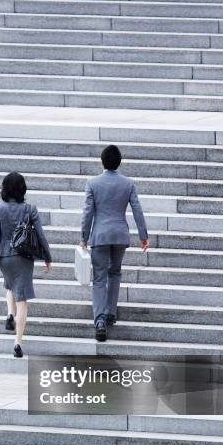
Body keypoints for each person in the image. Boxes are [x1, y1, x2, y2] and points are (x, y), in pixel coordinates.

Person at [80, 145, 149, 342]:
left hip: (100, 236)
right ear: (119, 162)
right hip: (120, 235)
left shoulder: (93, 183)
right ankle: (110, 313)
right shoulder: (128, 183)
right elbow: (137, 210)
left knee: (100, 277)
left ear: (102, 161)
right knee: (115, 272)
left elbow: (88, 213)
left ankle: (100, 320)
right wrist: (143, 235)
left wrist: (84, 237)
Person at [0, 172, 52, 358]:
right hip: (23, 257)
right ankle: (18, 342)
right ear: (23, 189)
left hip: (4, 258)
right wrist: (47, 257)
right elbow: (40, 235)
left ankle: (9, 314)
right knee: (22, 300)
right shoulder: (30, 209)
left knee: (10, 284)